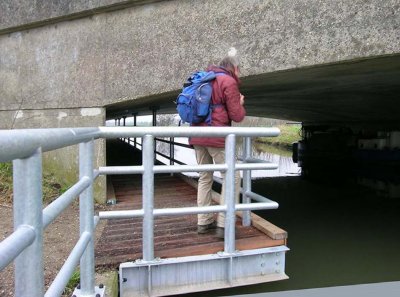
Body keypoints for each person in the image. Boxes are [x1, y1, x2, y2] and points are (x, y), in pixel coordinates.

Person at [189, 51, 246, 238]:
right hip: (216, 137)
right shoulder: (228, 82)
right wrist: (240, 103)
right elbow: (237, 116)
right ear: (234, 68)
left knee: (205, 176)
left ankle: (203, 222)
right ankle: (224, 223)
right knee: (232, 177)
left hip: (197, 136)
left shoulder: (204, 79)